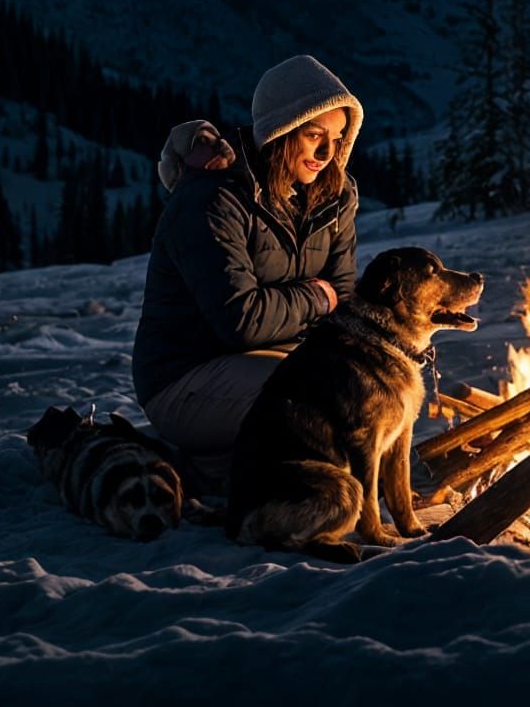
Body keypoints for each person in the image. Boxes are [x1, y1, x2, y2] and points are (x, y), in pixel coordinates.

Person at [131, 54, 363, 493]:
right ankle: (216, 471)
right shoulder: (215, 199)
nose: (327, 152)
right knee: (312, 400)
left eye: (337, 136)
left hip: (281, 360)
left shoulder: (335, 195)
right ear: (280, 130)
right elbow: (241, 320)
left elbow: (344, 301)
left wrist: (329, 308)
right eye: (314, 135)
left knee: (357, 390)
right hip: (186, 378)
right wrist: (317, 298)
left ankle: (226, 468)